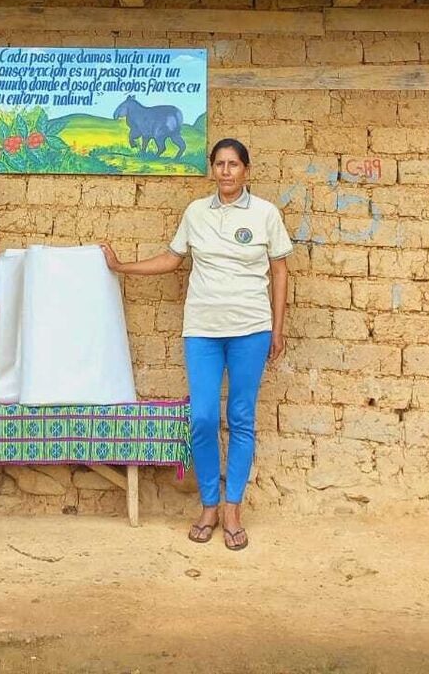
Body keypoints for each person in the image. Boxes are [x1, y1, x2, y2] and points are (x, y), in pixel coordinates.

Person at [101, 138, 291, 550]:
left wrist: (277, 328)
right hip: (202, 330)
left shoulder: (265, 214)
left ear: (246, 170)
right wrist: (121, 267)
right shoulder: (195, 213)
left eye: (234, 164)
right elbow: (171, 259)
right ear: (212, 169)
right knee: (202, 417)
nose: (226, 171)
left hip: (251, 330)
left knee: (241, 417)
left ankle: (233, 508)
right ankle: (208, 504)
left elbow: (280, 272)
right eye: (219, 164)